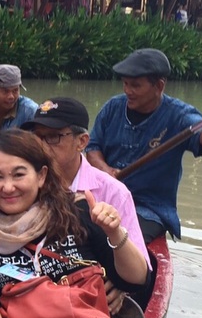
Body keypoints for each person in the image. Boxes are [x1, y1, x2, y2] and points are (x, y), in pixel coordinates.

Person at [0, 130, 153, 318]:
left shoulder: (78, 213)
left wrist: (115, 232)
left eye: (19, 174)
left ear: (41, 176)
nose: (8, 187)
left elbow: (137, 279)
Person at [85, 48, 202, 243]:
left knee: (121, 239)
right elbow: (92, 147)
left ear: (159, 86)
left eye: (135, 86)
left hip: (148, 208)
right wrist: (105, 171)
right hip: (106, 199)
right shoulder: (113, 108)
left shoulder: (179, 115)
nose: (127, 91)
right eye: (125, 84)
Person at [23, 97, 151, 269]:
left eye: (53, 137)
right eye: (37, 137)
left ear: (81, 141)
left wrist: (118, 282)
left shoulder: (113, 192)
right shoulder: (24, 184)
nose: (43, 146)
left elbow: (141, 267)